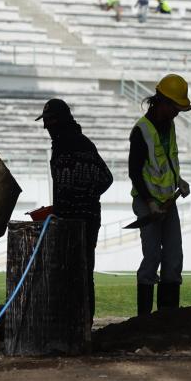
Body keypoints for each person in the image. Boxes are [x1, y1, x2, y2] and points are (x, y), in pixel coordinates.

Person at [35, 98, 113, 319]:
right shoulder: (86, 143)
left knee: (67, 274)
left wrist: (70, 205)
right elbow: (107, 178)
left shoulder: (61, 146)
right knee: (86, 273)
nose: (46, 127)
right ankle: (85, 325)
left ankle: (70, 324)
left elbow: (63, 188)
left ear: (58, 121)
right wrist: (88, 196)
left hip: (69, 222)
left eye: (48, 121)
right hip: (90, 219)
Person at [129, 74, 191, 317]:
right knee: (152, 256)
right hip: (148, 203)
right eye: (175, 107)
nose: (177, 113)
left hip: (168, 203)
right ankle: (144, 320)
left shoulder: (170, 126)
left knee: (174, 257)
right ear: (162, 102)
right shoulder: (141, 131)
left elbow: (169, 160)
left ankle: (168, 317)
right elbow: (134, 172)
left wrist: (179, 181)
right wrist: (150, 202)